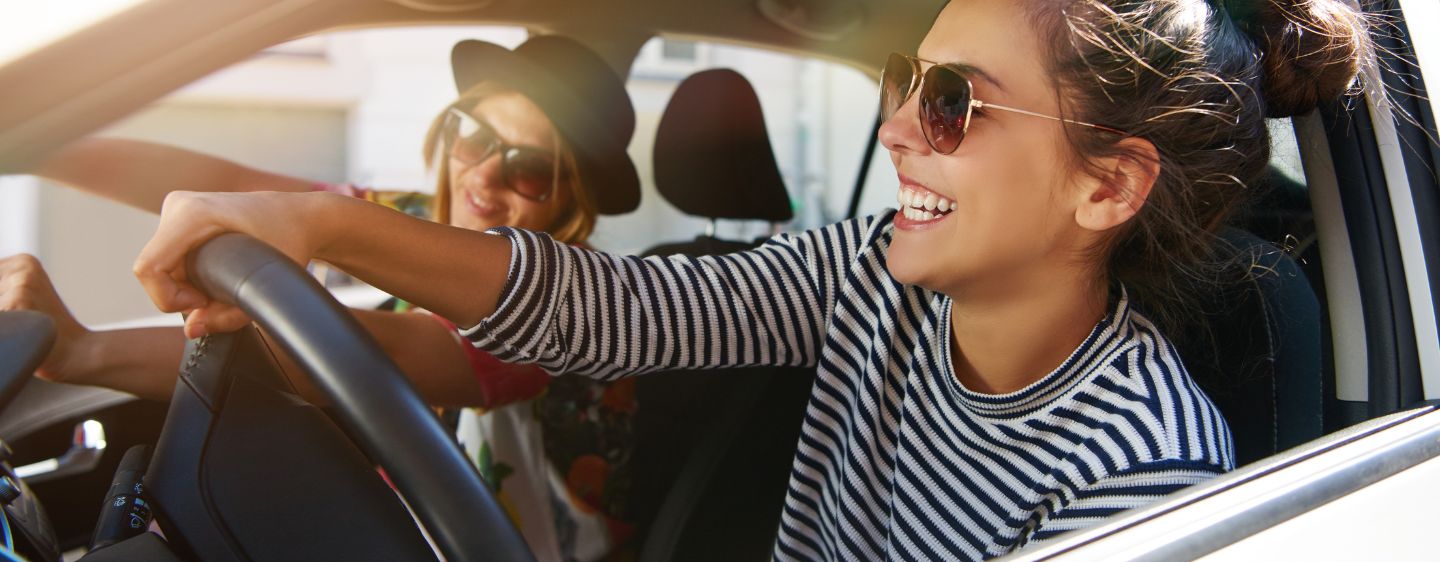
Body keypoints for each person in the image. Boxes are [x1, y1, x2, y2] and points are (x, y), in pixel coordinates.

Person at [96, 0, 1380, 558]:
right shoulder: (869, 278)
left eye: (954, 103)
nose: (897, 132)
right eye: (899, 85)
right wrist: (311, 225)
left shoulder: (1143, 468)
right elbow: (616, 309)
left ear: (1107, 186)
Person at [4, 36, 645, 562]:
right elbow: (231, 189)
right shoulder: (412, 215)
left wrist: (85, 349)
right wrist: (43, 140)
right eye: (474, 137)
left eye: (529, 168)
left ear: (569, 201)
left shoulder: (572, 299)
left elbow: (379, 350)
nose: (482, 176)